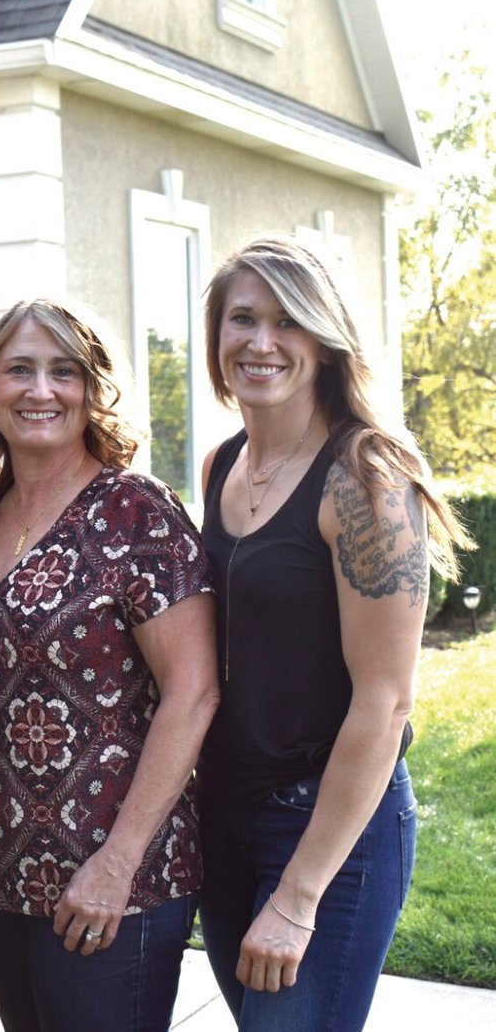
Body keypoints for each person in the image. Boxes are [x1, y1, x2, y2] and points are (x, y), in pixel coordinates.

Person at [195, 235, 469, 1030]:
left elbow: (384, 702)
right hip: (227, 813)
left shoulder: (364, 479)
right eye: (241, 319)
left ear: (324, 338)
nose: (260, 341)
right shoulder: (222, 466)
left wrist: (299, 892)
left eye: (288, 321)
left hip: (325, 826)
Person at [0, 299, 219, 1031]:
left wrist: (116, 863)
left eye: (62, 371)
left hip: (113, 879)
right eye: (19, 370)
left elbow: (192, 692)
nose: (40, 390)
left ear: (92, 388)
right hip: (0, 874)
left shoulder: (136, 513)